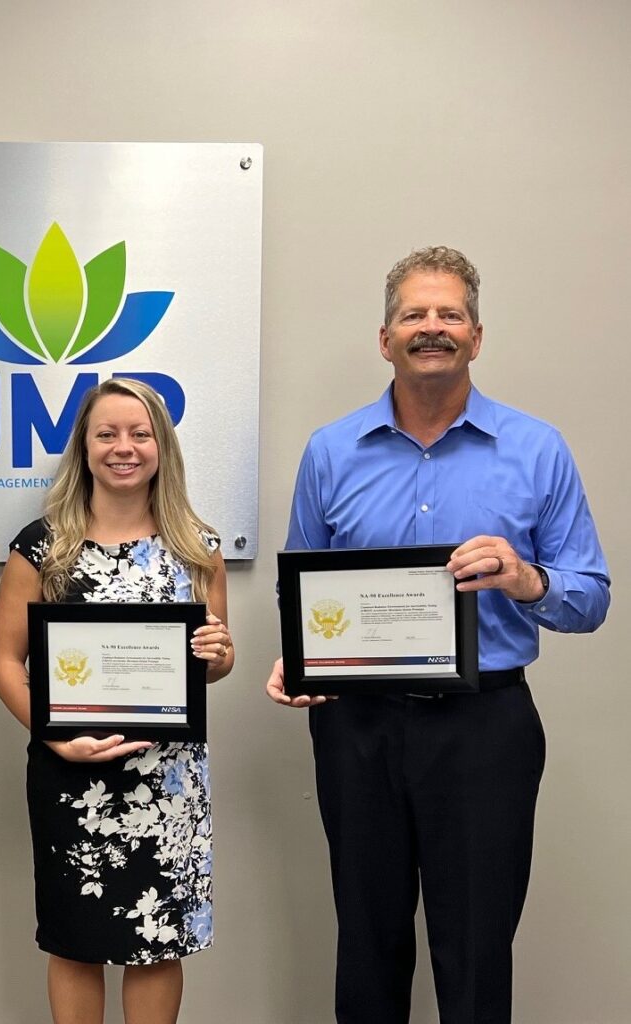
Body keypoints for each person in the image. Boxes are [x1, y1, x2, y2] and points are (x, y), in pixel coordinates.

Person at [266, 247, 610, 1024]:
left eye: (450, 314)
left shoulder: (537, 448)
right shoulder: (330, 451)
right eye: (413, 314)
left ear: (476, 337)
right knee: (367, 943)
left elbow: (591, 597)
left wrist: (526, 579)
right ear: (384, 338)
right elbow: (302, 588)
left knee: (478, 949)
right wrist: (299, 657)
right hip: (356, 726)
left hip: (485, 725)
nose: (432, 327)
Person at [0, 377, 233, 1024]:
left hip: (168, 781)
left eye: (139, 433)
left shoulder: (199, 547)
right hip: (72, 773)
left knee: (158, 941)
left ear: (162, 446)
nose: (124, 447)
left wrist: (220, 656)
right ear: (84, 447)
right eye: (107, 434)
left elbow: (212, 663)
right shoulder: (43, 547)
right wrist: (53, 735)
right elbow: (3, 662)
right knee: (76, 939)